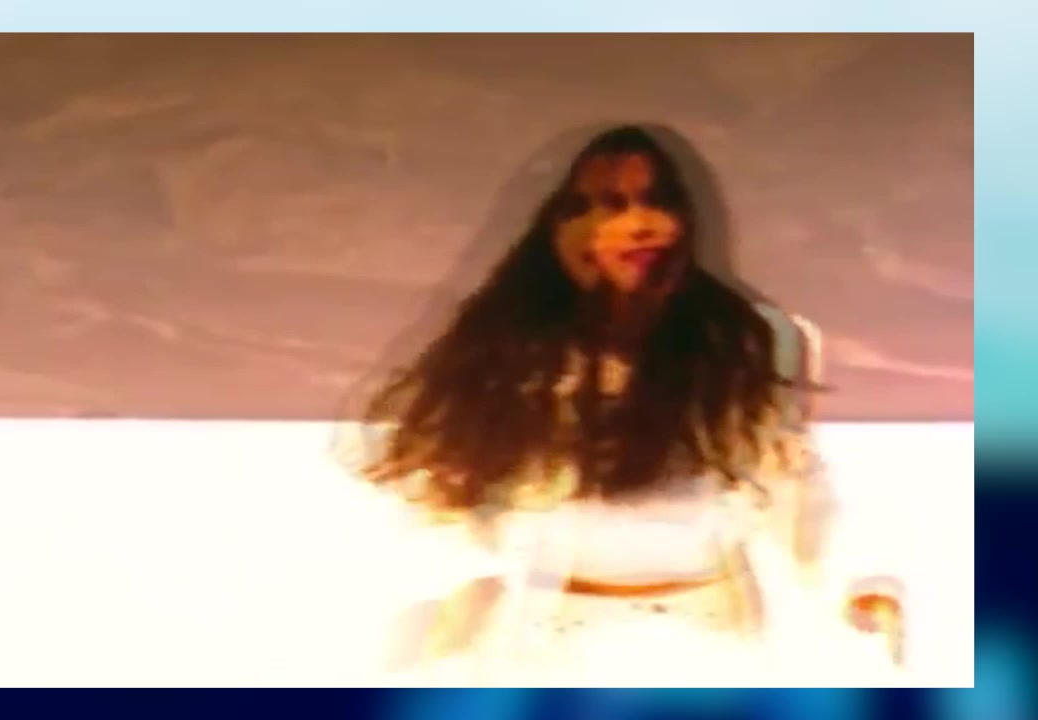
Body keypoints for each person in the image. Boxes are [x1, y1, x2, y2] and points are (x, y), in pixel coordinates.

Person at [337, 124, 903, 686]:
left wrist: (858, 583)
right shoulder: (506, 349)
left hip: (706, 638)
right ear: (557, 229)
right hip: (546, 639)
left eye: (653, 202)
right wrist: (435, 607)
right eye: (598, 207)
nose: (631, 226)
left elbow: (795, 483)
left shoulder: (758, 341)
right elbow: (441, 493)